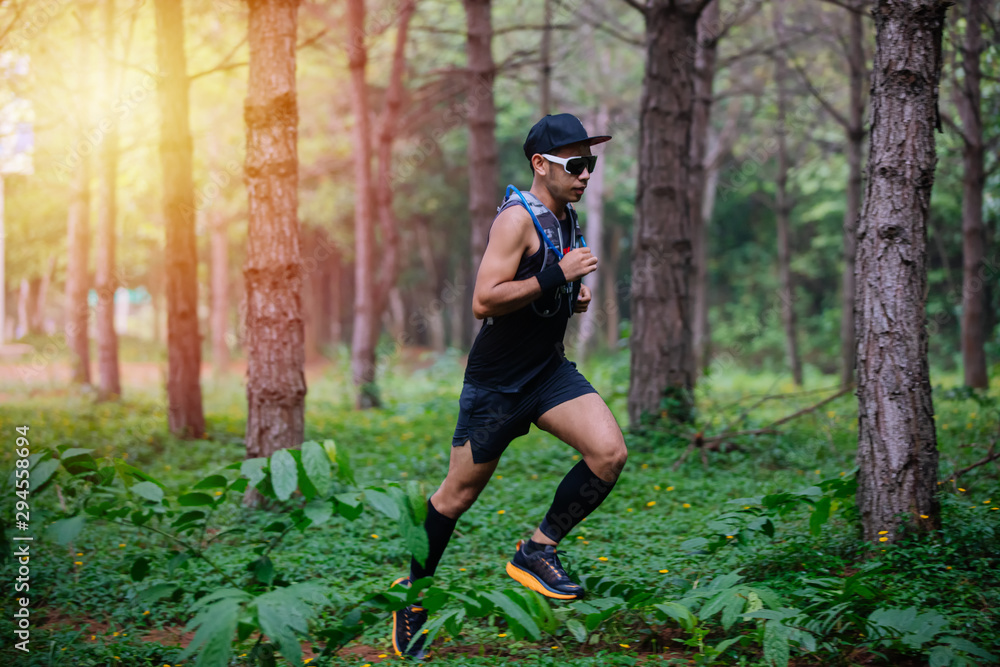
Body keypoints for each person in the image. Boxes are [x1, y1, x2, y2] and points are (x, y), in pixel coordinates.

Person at [391, 113, 628, 659]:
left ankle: (536, 551)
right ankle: (414, 594)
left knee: (608, 453)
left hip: (547, 372)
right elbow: (484, 299)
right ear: (540, 164)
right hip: (497, 385)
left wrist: (572, 296)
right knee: (457, 495)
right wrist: (558, 278)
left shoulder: (567, 218)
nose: (586, 174)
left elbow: (546, 288)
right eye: (576, 164)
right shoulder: (515, 220)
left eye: (591, 164)